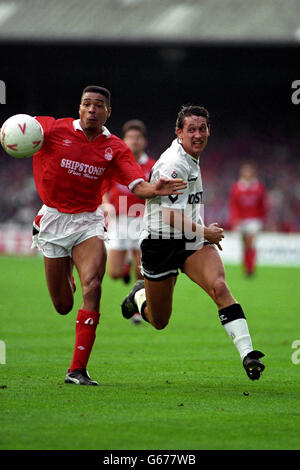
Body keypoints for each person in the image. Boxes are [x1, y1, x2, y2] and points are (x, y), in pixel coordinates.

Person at [1, 85, 186, 386]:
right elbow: (19, 130)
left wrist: (156, 189)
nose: (91, 109)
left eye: (98, 105)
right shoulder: (51, 128)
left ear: (107, 112)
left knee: (94, 285)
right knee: (63, 305)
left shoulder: (115, 147)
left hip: (88, 221)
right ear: (79, 108)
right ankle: (66, 277)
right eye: (87, 104)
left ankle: (77, 370)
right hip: (53, 220)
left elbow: (137, 185)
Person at [121, 105, 265, 382]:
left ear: (209, 130)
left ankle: (248, 353)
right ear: (179, 132)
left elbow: (186, 209)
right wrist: (205, 232)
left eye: (202, 129)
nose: (198, 134)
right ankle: (138, 297)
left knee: (219, 286)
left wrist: (201, 233)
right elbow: (168, 215)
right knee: (159, 321)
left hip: (190, 239)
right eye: (191, 130)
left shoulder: (192, 157)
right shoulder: (174, 163)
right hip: (160, 242)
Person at [103, 119, 156, 324]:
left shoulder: (152, 166)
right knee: (114, 273)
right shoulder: (115, 164)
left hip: (142, 221)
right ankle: (124, 265)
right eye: (130, 138)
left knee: (141, 271)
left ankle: (137, 309)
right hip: (119, 222)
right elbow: (103, 190)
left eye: (138, 138)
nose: (134, 141)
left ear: (144, 141)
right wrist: (106, 204)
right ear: (124, 141)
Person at [229, 162, 268, 276]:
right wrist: (235, 219)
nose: (247, 173)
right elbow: (234, 204)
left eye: (249, 171)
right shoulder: (237, 186)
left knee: (251, 242)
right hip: (241, 219)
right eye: (245, 171)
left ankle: (250, 268)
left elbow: (263, 204)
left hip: (254, 219)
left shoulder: (258, 186)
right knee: (244, 244)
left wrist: (263, 219)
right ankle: (246, 266)